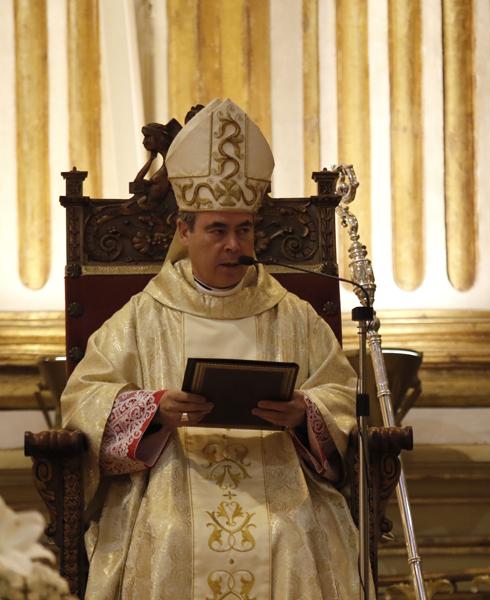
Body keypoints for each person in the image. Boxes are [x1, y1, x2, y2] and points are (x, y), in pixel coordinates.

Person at [61, 99, 362, 599]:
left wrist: (305, 413)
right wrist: (152, 408)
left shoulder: (291, 313)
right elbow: (84, 398)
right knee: (173, 533)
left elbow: (342, 392)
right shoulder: (146, 313)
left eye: (243, 229)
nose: (232, 245)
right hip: (174, 474)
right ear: (184, 230)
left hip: (281, 472)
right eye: (217, 230)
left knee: (289, 535)